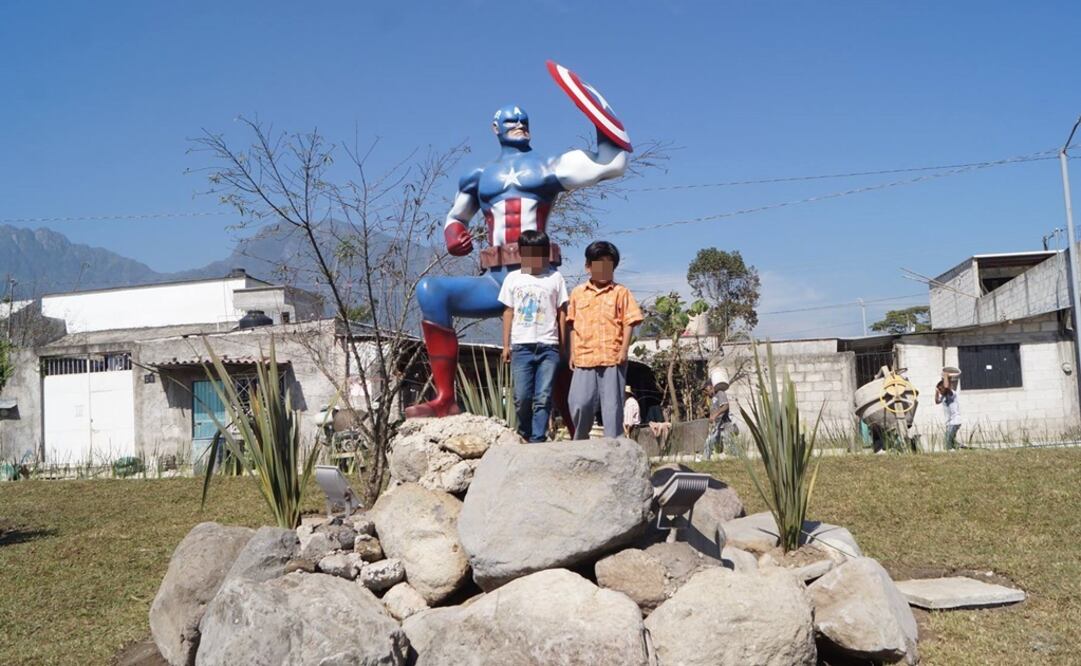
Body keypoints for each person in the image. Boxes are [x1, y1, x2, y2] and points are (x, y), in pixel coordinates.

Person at [405, 104, 629, 418]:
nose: (519, 124)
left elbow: (611, 163)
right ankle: (445, 398)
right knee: (430, 290)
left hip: (537, 278)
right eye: (511, 121)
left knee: (558, 347)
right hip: (495, 280)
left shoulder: (549, 167)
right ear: (495, 128)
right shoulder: (478, 177)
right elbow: (456, 217)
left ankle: (569, 415)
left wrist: (597, 114)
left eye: (524, 120)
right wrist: (454, 235)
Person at [566, 241, 643, 438]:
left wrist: (624, 349)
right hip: (584, 357)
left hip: (612, 357)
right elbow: (572, 325)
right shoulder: (577, 294)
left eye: (608, 266)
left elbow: (630, 321)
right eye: (598, 264)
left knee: (612, 407)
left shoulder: (621, 292)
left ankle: (615, 447)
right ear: (588, 266)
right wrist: (573, 352)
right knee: (579, 403)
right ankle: (580, 442)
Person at [499, 230, 568, 442]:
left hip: (549, 346)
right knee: (522, 397)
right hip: (521, 346)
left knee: (543, 396)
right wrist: (506, 345)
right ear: (521, 253)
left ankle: (538, 438)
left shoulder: (555, 278)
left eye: (539, 253)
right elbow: (508, 311)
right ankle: (525, 432)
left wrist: (563, 346)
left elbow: (562, 312)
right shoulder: (513, 278)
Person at [935, 368, 962, 450]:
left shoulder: (951, 393)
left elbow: (946, 387)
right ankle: (959, 447)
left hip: (955, 421)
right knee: (951, 441)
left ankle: (952, 452)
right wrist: (936, 392)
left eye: (940, 389)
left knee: (947, 443)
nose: (940, 391)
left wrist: (946, 375)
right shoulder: (943, 396)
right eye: (939, 390)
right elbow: (937, 401)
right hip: (949, 422)